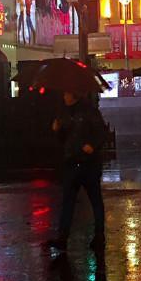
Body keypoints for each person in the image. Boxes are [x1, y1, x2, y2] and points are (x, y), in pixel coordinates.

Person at [46, 90, 107, 252]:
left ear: (74, 95)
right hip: (71, 163)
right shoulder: (63, 113)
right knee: (67, 202)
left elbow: (101, 133)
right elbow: (64, 140)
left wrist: (92, 146)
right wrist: (57, 130)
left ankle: (99, 235)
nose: (64, 96)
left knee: (95, 200)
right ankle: (62, 238)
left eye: (67, 93)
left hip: (89, 164)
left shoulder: (90, 111)